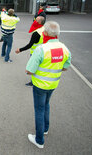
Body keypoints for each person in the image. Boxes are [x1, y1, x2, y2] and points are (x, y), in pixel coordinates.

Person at [25, 21, 71, 149]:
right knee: (46, 105)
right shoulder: (64, 48)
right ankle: (45, 128)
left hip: (39, 85)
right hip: (53, 84)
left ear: (45, 34)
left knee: (39, 109)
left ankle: (39, 140)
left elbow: (29, 70)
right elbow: (66, 67)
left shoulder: (41, 49)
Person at [15, 16, 45, 86]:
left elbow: (30, 45)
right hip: (45, 52)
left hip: (35, 53)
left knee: (34, 68)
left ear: (40, 22)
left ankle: (33, 82)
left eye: (36, 20)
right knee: (41, 68)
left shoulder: (36, 33)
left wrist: (20, 50)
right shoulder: (45, 29)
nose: (34, 21)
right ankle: (41, 80)